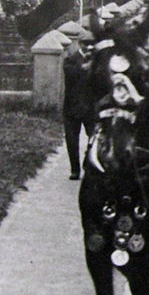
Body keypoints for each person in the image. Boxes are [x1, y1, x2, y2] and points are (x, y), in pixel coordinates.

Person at [60, 22, 95, 180]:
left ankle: (89, 163)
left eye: (92, 44)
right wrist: (85, 67)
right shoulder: (71, 60)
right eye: (86, 44)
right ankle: (75, 169)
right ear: (80, 44)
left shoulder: (98, 61)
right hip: (72, 108)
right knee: (71, 140)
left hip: (91, 108)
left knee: (94, 138)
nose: (89, 47)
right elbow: (70, 73)